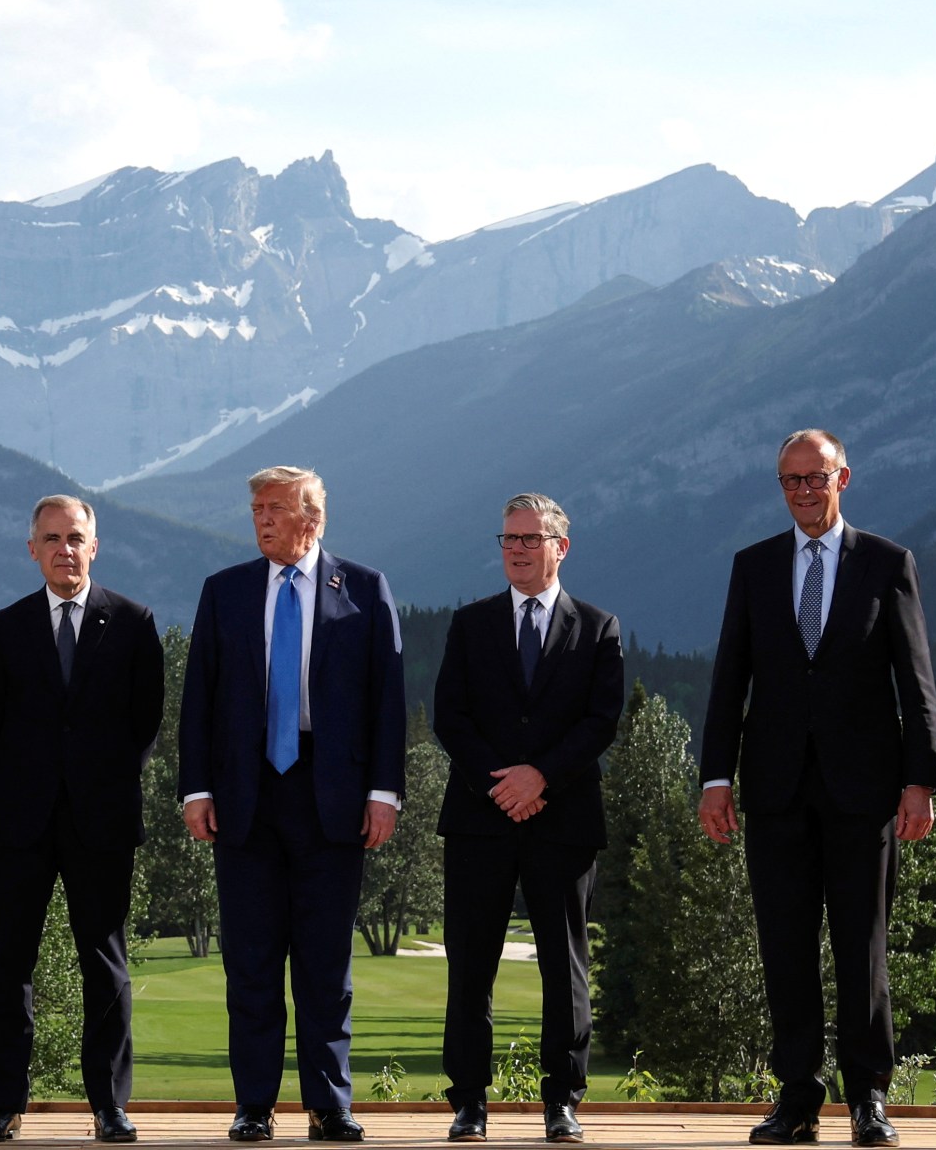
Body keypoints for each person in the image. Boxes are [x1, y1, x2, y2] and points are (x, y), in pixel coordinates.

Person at [699, 429, 936, 1148]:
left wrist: (920, 779)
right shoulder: (753, 566)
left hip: (865, 792)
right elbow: (728, 681)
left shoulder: (889, 563)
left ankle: (869, 1099)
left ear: (844, 478)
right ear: (781, 487)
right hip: (773, 790)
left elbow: (916, 681)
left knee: (862, 947)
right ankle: (797, 1098)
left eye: (816, 476)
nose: (804, 490)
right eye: (790, 480)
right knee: (785, 948)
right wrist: (717, 777)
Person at [179, 466, 405, 1144]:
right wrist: (196, 788)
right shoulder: (225, 592)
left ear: (314, 519)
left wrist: (384, 793)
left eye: (275, 507)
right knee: (249, 960)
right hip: (246, 798)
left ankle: (329, 1105)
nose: (262, 519)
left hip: (331, 797)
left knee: (325, 961)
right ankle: (254, 1105)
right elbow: (199, 700)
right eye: (256, 508)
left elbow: (387, 703)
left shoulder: (364, 589)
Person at [0, 496, 164, 1145]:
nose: (64, 549)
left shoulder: (134, 624)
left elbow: (146, 723)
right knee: (9, 965)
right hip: (18, 822)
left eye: (75, 537)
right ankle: (4, 1105)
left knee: (105, 965)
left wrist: (98, 785)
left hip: (102, 822)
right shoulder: (5, 628)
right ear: (32, 549)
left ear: (94, 544)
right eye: (51, 538)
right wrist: (34, 784)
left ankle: (109, 1105)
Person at [432, 494, 622, 1145]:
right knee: (471, 965)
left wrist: (540, 777)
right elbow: (449, 718)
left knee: (564, 966)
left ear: (559, 547)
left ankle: (562, 1102)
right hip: (480, 820)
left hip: (562, 820)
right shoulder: (470, 624)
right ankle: (468, 1103)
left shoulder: (599, 628)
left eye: (529, 539)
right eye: (507, 538)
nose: (515, 549)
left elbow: (601, 721)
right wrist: (504, 784)